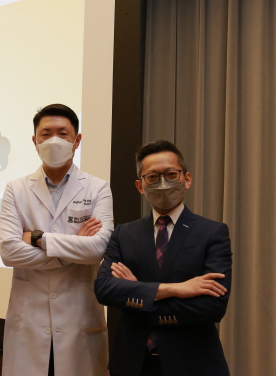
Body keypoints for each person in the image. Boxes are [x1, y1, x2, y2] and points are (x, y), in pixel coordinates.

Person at [94, 140, 232, 376]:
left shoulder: (212, 232)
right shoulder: (124, 233)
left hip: (193, 365)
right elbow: (104, 289)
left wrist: (137, 292)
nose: (163, 183)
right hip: (132, 365)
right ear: (140, 185)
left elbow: (212, 306)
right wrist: (176, 289)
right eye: (153, 177)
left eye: (171, 174)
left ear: (186, 179)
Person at [0, 104, 114, 376]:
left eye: (63, 134)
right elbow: (9, 253)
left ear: (77, 140)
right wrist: (73, 246)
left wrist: (37, 238)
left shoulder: (97, 187)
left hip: (79, 318)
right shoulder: (16, 189)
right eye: (46, 134)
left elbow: (98, 248)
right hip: (29, 321)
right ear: (34, 141)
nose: (54, 140)